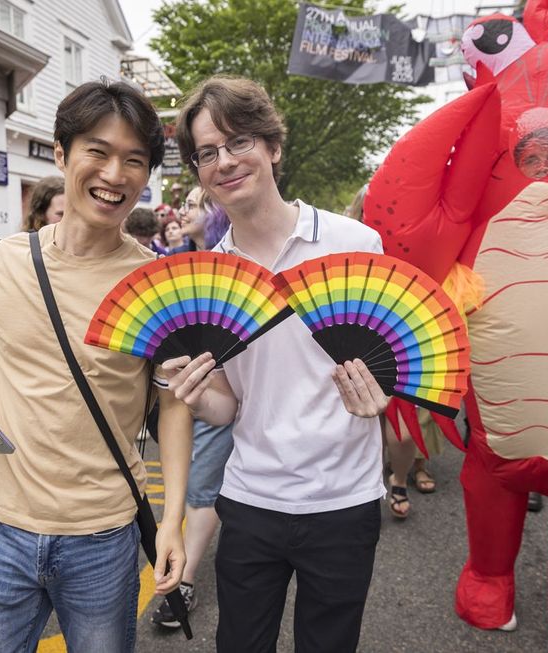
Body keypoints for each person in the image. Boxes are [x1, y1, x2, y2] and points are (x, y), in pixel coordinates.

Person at [0, 79, 193, 653]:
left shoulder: (160, 284)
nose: (115, 174)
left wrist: (172, 519)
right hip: (3, 529)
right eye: (98, 151)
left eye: (134, 160)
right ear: (60, 154)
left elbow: (173, 406)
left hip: (104, 536)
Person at [167, 75, 390, 652]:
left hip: (343, 498)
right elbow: (227, 406)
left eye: (238, 141)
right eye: (207, 153)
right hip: (250, 497)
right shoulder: (208, 276)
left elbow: (391, 365)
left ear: (272, 147)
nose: (224, 162)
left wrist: (381, 397)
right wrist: (194, 392)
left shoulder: (355, 243)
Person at [151, 189, 233, 629]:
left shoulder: (235, 264)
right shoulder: (176, 261)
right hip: (177, 391)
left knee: (202, 487)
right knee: (184, 480)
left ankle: (184, 579)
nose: (183, 211)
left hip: (219, 388)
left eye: (195, 204)